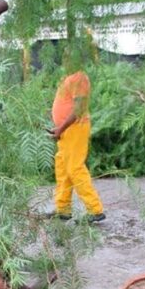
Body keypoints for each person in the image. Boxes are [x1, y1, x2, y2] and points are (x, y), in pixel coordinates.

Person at [49, 60, 105, 223]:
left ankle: (95, 209)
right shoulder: (69, 77)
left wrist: (61, 128)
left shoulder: (79, 78)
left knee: (74, 167)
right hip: (66, 130)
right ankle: (63, 209)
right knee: (63, 168)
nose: (64, 58)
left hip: (75, 128)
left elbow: (79, 108)